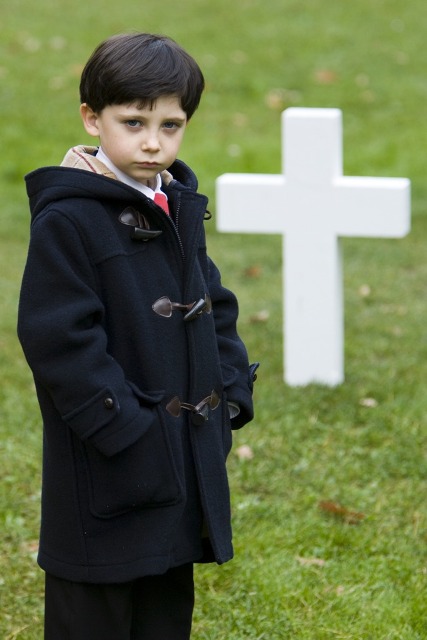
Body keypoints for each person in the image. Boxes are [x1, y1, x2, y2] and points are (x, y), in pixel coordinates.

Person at [17, 32, 258, 640]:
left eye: (171, 124)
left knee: (164, 609)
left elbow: (212, 302)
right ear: (92, 119)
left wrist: (227, 394)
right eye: (134, 122)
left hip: (178, 461)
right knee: (94, 614)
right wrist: (127, 429)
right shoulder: (68, 218)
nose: (154, 142)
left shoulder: (171, 201)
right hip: (108, 463)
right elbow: (58, 340)